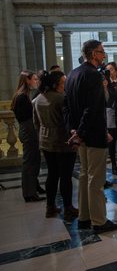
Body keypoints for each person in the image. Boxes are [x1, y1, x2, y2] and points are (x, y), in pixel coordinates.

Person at [64, 39, 117, 234]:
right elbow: (93, 109)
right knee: (96, 180)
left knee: (84, 176)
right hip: (92, 134)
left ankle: (84, 217)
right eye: (101, 52)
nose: (104, 55)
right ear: (92, 54)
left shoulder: (73, 74)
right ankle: (99, 221)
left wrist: (74, 131)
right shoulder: (93, 75)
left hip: (81, 134)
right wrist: (80, 132)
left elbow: (67, 107)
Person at [33, 70, 79, 220]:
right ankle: (68, 208)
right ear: (55, 84)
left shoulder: (38, 99)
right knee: (66, 176)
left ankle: (50, 206)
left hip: (46, 140)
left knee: (52, 175)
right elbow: (68, 120)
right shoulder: (61, 99)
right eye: (63, 82)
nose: (66, 85)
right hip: (62, 140)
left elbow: (36, 123)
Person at [10, 71, 45, 202]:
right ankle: (29, 193)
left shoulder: (23, 95)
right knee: (29, 162)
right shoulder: (22, 97)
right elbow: (27, 117)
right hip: (28, 129)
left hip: (29, 129)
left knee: (34, 160)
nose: (36, 81)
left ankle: (34, 187)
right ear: (27, 80)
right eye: (34, 79)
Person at [105, 62, 117, 176]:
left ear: (116, 70)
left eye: (111, 69)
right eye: (107, 70)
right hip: (110, 112)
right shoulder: (106, 84)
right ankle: (114, 165)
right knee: (112, 141)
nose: (109, 71)